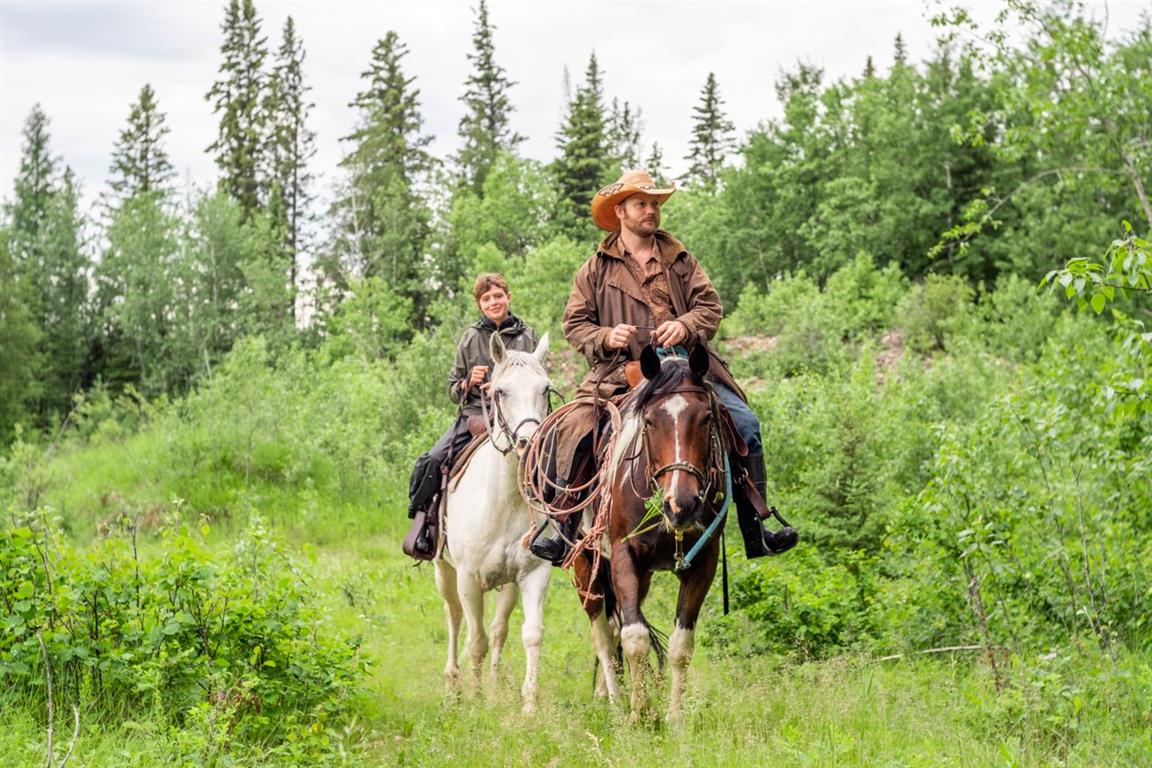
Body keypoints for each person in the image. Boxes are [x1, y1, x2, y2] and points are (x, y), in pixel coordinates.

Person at [529, 169, 797, 564]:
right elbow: (575, 324)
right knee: (576, 431)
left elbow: (710, 308)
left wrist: (684, 325)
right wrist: (606, 337)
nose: (651, 211)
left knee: (745, 425)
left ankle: (757, 528)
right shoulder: (595, 269)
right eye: (642, 204)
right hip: (621, 373)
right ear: (620, 211)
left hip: (688, 369)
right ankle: (563, 530)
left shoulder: (681, 258)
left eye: (655, 204)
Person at [404, 273, 539, 558]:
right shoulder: (471, 337)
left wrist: (503, 387)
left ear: (508, 297)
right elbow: (453, 389)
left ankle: (557, 531)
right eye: (487, 298)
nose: (494, 302)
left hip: (518, 417)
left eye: (498, 295)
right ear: (480, 305)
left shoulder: (527, 335)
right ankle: (424, 526)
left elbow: (536, 377)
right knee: (432, 460)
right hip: (476, 415)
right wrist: (467, 383)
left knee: (554, 462)